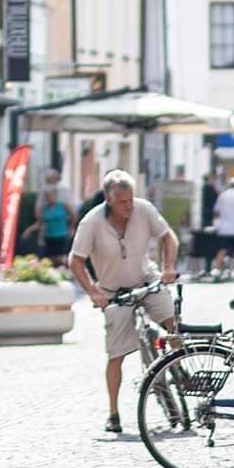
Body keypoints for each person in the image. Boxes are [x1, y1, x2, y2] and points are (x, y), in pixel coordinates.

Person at [68, 168, 181, 434]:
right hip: (113, 292)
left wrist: (168, 266)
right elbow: (75, 261)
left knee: (173, 324)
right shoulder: (92, 222)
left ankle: (179, 367)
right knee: (116, 354)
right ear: (108, 199)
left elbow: (168, 237)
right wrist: (94, 292)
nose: (129, 206)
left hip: (147, 280)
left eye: (131, 199)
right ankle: (113, 412)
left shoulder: (144, 209)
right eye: (122, 202)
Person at [38, 169, 75, 271]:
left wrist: (72, 228)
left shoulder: (62, 200)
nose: (48, 197)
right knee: (50, 258)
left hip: (61, 234)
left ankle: (66, 272)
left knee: (60, 257)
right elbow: (41, 219)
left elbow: (73, 214)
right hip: (49, 235)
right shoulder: (46, 206)